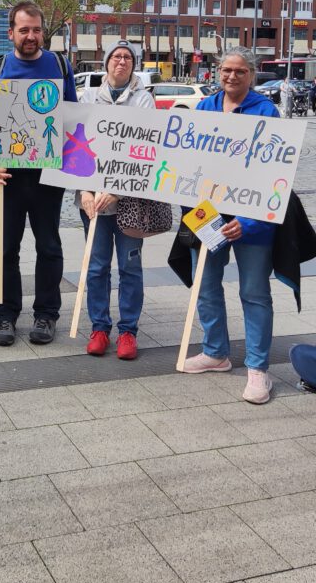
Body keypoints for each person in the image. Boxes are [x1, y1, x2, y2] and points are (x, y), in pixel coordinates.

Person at [178, 48, 281, 405]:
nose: (232, 76)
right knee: (205, 286)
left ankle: (257, 368)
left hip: (252, 223)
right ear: (217, 72)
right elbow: (189, 163)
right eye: (226, 70)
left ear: (251, 74)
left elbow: (273, 176)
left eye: (239, 71)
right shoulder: (205, 108)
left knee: (254, 293)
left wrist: (249, 222)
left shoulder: (267, 111)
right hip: (208, 215)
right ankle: (216, 352)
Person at [0, 1, 78, 346]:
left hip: (46, 175)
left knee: (48, 245)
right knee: (4, 248)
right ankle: (6, 315)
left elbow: (72, 119)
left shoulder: (60, 65)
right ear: (11, 34)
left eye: (36, 30)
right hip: (5, 175)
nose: (31, 36)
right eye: (24, 30)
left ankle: (46, 314)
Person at [78, 40, 154, 360]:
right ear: (106, 62)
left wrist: (120, 188)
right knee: (96, 267)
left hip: (130, 203)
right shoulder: (87, 97)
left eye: (127, 58)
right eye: (115, 56)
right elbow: (76, 147)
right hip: (93, 200)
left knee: (130, 267)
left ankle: (127, 331)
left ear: (133, 65)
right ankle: (99, 326)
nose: (121, 62)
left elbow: (146, 153)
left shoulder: (143, 102)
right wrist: (82, 189)